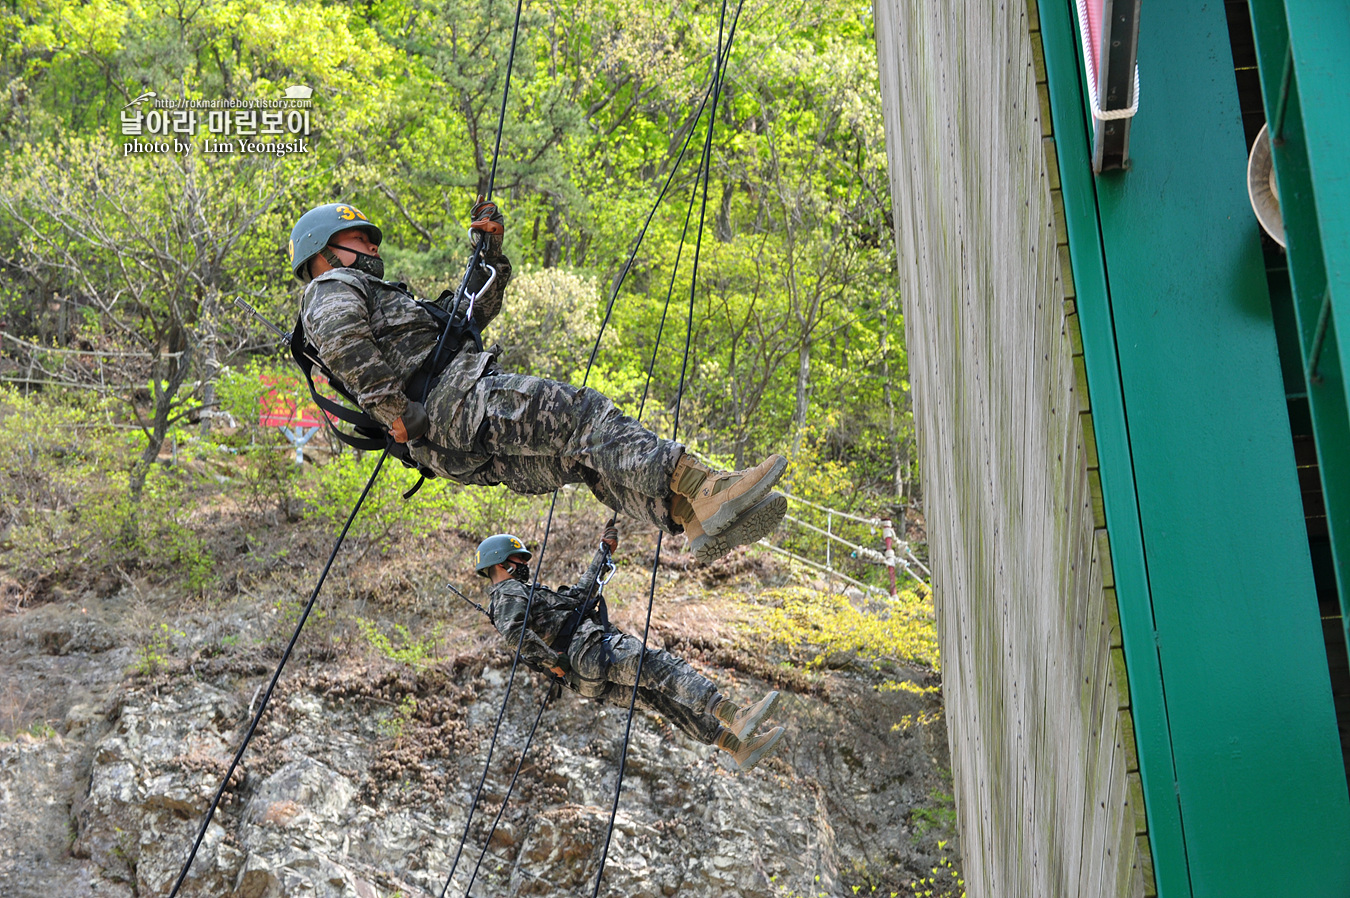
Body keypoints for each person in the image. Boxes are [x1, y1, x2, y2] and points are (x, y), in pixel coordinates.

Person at [287, 200, 787, 563]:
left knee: (583, 459)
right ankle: (704, 486)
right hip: (454, 404)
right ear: (325, 251)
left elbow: (469, 315)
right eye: (361, 240)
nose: (374, 246)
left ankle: (687, 514)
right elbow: (343, 342)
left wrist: (490, 254)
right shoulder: (331, 286)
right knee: (582, 416)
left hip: (448, 442)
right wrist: (393, 410)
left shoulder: (375, 296)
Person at [474, 529, 787, 771]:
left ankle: (736, 746)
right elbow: (515, 634)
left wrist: (603, 552)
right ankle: (733, 714)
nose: (525, 565)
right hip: (589, 650)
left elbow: (580, 595)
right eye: (520, 560)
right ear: (502, 563)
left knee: (660, 698)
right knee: (659, 667)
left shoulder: (523, 594)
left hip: (585, 675)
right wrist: (553, 662)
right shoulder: (506, 593)